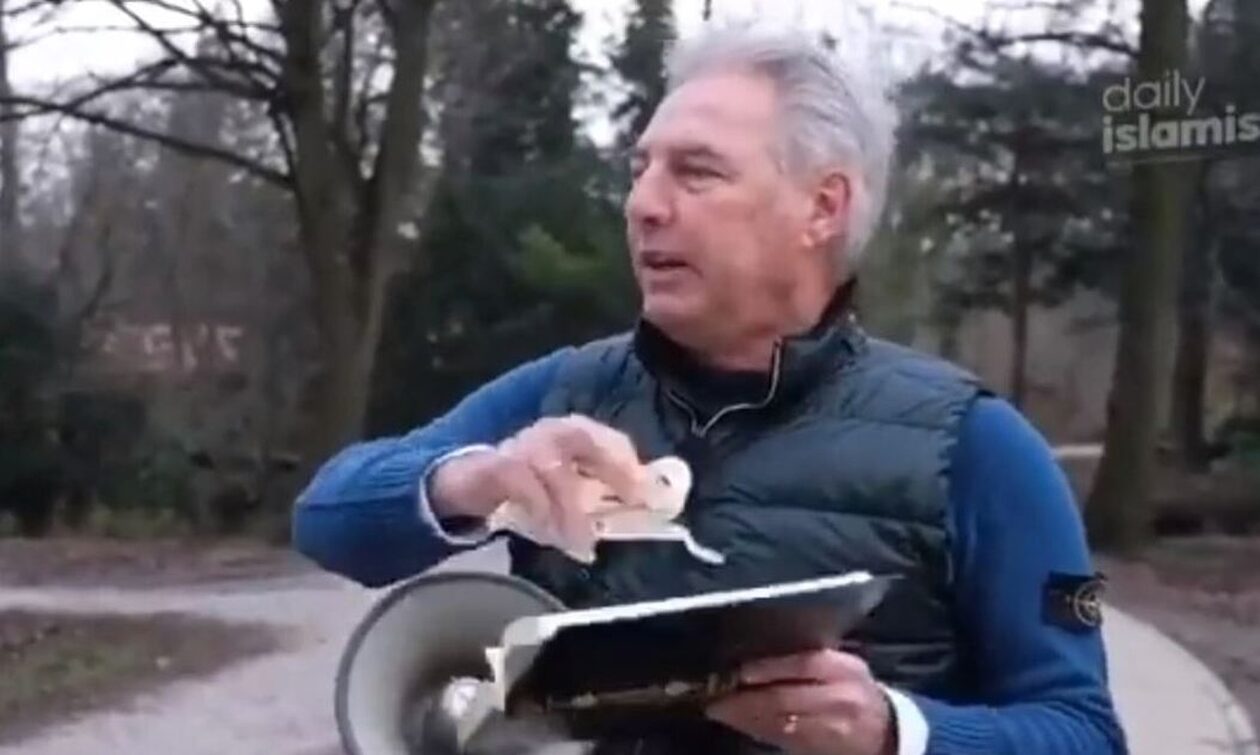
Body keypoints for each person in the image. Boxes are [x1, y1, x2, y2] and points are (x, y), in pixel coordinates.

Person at [293, 24, 1128, 755]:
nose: (642, 205)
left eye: (695, 173)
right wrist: (473, 478)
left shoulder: (976, 445)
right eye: (640, 169)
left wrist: (895, 732)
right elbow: (327, 519)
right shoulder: (562, 393)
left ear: (823, 207)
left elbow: (1085, 732)